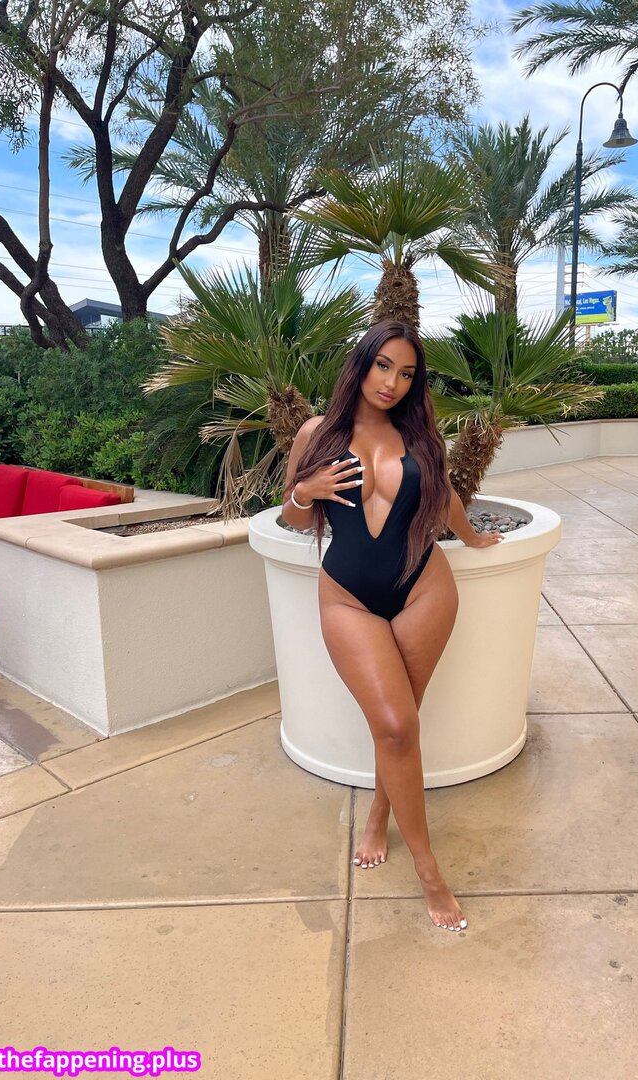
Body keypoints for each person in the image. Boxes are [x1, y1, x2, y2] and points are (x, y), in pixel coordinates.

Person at [281, 319, 502, 933]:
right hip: (348, 597)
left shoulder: (419, 435)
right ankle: (429, 871)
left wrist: (471, 537)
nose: (392, 383)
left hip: (424, 588)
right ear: (362, 364)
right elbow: (292, 518)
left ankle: (382, 817)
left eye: (406, 373)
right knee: (397, 724)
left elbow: (445, 494)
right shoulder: (316, 434)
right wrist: (308, 488)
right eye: (384, 366)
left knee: (401, 723)